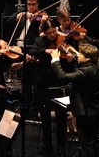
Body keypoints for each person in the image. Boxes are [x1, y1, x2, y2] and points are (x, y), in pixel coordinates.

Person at [28, 19, 75, 155]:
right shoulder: (39, 41)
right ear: (44, 33)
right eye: (49, 33)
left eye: (54, 31)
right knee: (45, 115)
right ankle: (47, 143)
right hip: (44, 84)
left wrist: (70, 60)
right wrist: (46, 51)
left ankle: (61, 144)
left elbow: (69, 66)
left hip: (60, 83)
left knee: (61, 114)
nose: (53, 35)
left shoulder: (63, 41)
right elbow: (33, 52)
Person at [50, 44, 99, 157]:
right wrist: (75, 52)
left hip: (86, 111)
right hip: (96, 109)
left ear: (88, 57)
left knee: (86, 144)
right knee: (93, 140)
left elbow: (63, 76)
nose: (78, 56)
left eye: (81, 54)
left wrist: (55, 59)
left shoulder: (85, 72)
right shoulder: (98, 65)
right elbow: (85, 61)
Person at [4, 0, 47, 112]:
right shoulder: (21, 11)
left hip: (31, 48)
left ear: (37, 4)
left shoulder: (41, 15)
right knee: (23, 78)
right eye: (29, 5)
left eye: (33, 5)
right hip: (18, 47)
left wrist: (42, 22)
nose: (31, 7)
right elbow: (8, 22)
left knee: (31, 77)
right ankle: (24, 103)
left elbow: (42, 33)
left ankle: (34, 105)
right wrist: (20, 15)